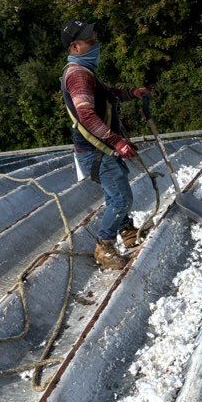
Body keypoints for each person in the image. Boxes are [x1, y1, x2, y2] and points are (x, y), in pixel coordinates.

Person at [60, 19, 149, 270]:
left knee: (114, 192)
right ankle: (104, 246)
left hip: (98, 150)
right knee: (121, 199)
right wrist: (117, 141)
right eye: (90, 41)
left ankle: (128, 232)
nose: (96, 44)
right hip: (96, 151)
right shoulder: (78, 75)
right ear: (75, 47)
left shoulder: (84, 73)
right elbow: (86, 115)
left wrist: (132, 93)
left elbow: (107, 94)